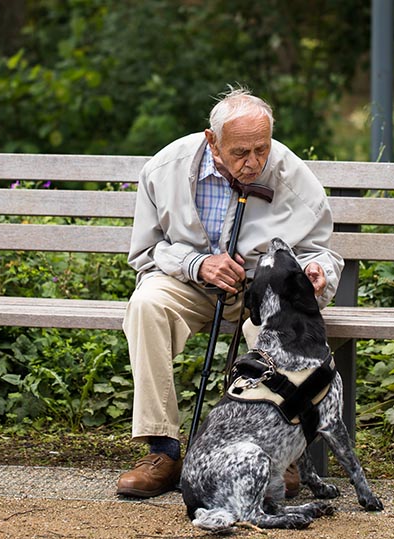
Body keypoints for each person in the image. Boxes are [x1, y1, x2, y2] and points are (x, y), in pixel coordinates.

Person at [116, 87, 344, 498]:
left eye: (262, 148)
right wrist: (196, 263)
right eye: (241, 152)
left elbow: (321, 252)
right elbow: (146, 252)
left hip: (264, 291)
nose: (254, 162)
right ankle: (163, 452)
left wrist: (316, 274)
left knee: (279, 329)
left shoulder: (292, 175)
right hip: (192, 285)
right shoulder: (164, 169)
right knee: (146, 304)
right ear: (212, 141)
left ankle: (280, 455)